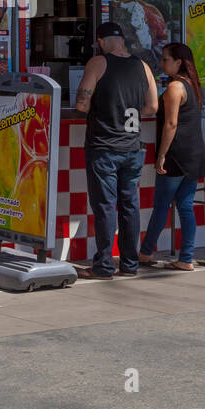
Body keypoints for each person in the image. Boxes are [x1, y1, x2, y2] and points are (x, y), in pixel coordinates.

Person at [74, 21, 159, 280]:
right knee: (129, 206)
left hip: (104, 146)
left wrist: (104, 109)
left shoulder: (98, 63)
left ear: (101, 41)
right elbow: (153, 106)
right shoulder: (143, 66)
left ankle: (103, 266)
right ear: (122, 40)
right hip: (133, 147)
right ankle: (130, 265)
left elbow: (81, 104)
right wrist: (128, 113)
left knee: (105, 207)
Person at [139, 43, 205, 271]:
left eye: (166, 59)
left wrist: (161, 156)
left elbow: (171, 123)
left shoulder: (175, 87)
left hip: (176, 155)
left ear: (178, 62)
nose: (162, 63)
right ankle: (185, 258)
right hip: (194, 153)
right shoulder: (192, 85)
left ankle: (146, 253)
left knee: (161, 206)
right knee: (185, 206)